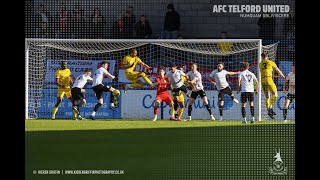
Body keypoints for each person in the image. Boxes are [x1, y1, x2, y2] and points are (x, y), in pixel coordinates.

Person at [258, 52, 285, 119]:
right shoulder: (270, 62)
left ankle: (268, 110)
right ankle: (270, 108)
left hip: (263, 80)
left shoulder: (260, 64)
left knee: (267, 96)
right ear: (267, 56)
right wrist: (283, 76)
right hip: (269, 80)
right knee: (275, 94)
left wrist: (274, 76)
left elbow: (266, 71)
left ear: (261, 57)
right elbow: (278, 70)